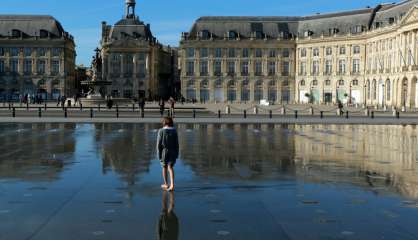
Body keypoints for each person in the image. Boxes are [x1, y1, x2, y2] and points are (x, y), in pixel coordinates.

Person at [157, 117, 179, 192]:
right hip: (173, 151)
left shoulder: (161, 131)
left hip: (164, 152)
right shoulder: (174, 131)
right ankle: (172, 184)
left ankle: (166, 183)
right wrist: (177, 154)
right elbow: (177, 144)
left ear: (164, 123)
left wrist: (158, 155)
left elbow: (159, 144)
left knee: (164, 167)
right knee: (170, 167)